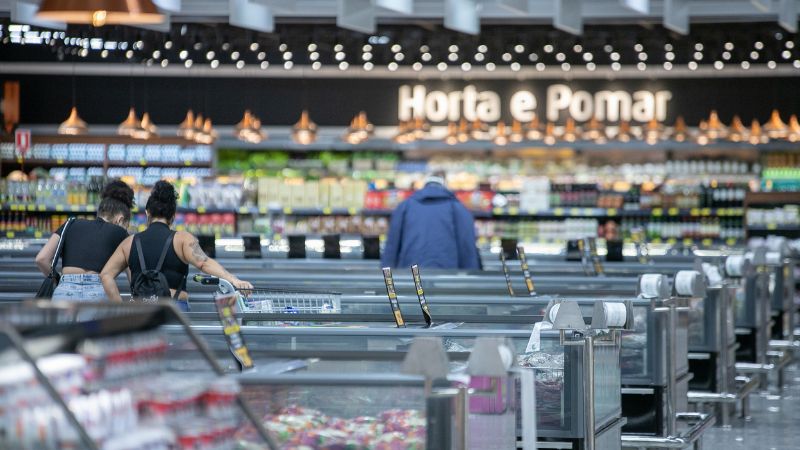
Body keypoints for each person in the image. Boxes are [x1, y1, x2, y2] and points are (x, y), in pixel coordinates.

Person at [100, 180, 252, 310]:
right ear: (173, 216)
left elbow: (106, 275)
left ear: (147, 213)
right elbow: (204, 263)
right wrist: (234, 280)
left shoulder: (129, 242)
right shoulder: (183, 239)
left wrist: (121, 308)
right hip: (174, 311)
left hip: (141, 313)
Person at [35, 179, 134, 302]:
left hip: (65, 291)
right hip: (98, 291)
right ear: (120, 220)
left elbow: (41, 259)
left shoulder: (70, 224)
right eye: (126, 225)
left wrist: (59, 280)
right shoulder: (120, 233)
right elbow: (133, 275)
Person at [381, 172, 481, 270]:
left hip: (413, 274)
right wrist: (471, 274)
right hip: (448, 274)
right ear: (444, 186)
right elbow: (467, 245)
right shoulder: (458, 208)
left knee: (416, 281)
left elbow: (392, 246)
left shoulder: (405, 206)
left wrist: (387, 277)